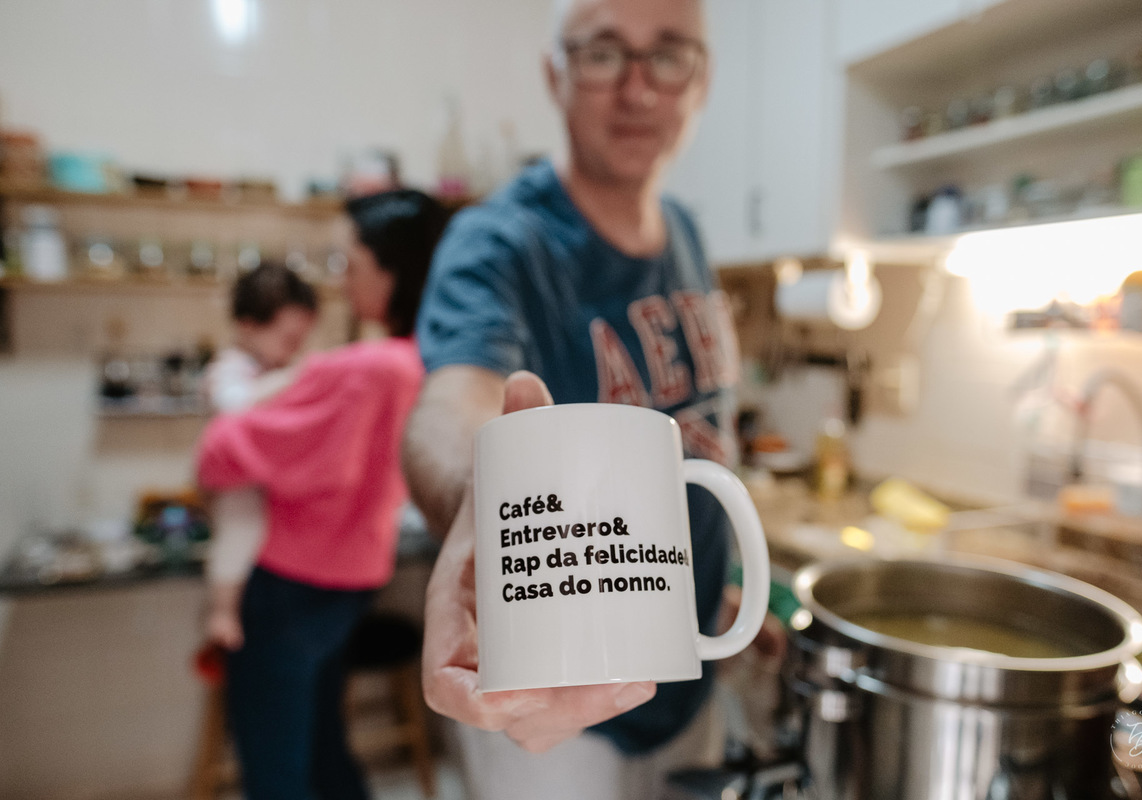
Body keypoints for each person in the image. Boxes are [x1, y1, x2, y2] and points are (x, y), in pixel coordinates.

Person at [404, 1, 781, 797]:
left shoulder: (683, 228)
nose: (638, 90)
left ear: (701, 81)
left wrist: (719, 588)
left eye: (669, 56)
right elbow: (449, 406)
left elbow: (693, 440)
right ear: (557, 73)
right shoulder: (500, 242)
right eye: (606, 53)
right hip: (556, 708)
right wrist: (483, 504)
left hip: (695, 676)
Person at [195, 189, 446, 800]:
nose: (340, 279)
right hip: (357, 578)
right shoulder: (432, 362)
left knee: (275, 761)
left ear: (389, 268)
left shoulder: (360, 368)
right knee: (324, 745)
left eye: (349, 263)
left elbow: (219, 453)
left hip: (291, 584)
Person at [203, 262, 319, 651]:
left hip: (271, 482)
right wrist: (297, 377)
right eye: (288, 339)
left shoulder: (275, 367)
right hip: (238, 481)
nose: (295, 350)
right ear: (248, 325)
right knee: (240, 527)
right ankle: (223, 610)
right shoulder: (231, 367)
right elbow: (232, 405)